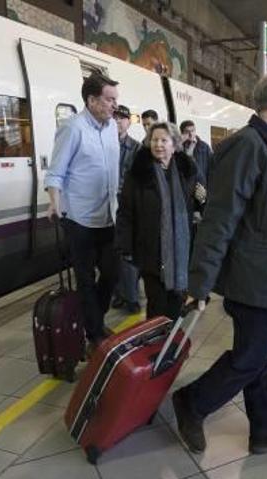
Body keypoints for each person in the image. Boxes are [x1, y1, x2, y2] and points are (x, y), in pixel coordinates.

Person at [171, 68, 267, 456]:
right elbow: (219, 219)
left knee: (263, 356)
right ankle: (192, 402)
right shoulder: (248, 146)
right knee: (251, 357)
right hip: (255, 278)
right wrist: (199, 283)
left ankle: (266, 430)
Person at [45, 71, 121, 348]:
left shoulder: (112, 127)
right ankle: (95, 333)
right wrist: (54, 202)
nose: (114, 105)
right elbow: (55, 172)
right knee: (86, 280)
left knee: (113, 274)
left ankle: (93, 319)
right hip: (80, 220)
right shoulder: (73, 128)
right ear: (91, 100)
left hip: (108, 216)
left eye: (115, 99)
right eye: (109, 99)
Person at [116, 122, 205, 319]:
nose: (158, 144)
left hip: (181, 252)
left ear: (174, 144)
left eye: (164, 140)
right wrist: (125, 245)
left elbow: (200, 205)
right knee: (156, 304)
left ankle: (170, 344)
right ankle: (156, 345)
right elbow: (126, 211)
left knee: (176, 303)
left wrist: (204, 199)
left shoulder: (187, 171)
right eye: (154, 140)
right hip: (150, 250)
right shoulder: (138, 173)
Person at [110, 105, 142, 314]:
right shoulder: (102, 144)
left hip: (126, 206)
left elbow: (136, 179)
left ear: (128, 122)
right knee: (110, 254)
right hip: (105, 206)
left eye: (122, 118)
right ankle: (119, 294)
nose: (118, 121)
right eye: (115, 118)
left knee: (127, 254)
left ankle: (131, 297)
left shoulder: (137, 148)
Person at [179, 120, 213, 188]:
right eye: (187, 132)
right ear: (182, 133)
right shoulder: (179, 148)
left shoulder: (204, 147)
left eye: (193, 130)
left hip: (202, 186)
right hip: (186, 187)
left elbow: (212, 167)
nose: (191, 134)